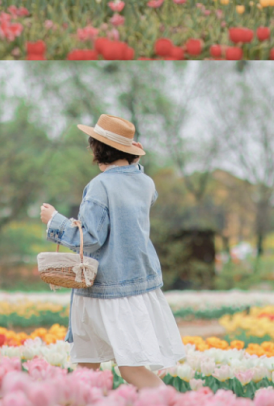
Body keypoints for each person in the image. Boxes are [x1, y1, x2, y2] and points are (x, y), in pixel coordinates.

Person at [40, 114, 185, 390]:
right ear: (130, 152)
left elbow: (91, 238)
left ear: (96, 148)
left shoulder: (100, 186)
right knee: (95, 365)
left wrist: (54, 221)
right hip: (137, 282)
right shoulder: (145, 183)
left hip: (104, 289)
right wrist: (133, 160)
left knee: (108, 367)